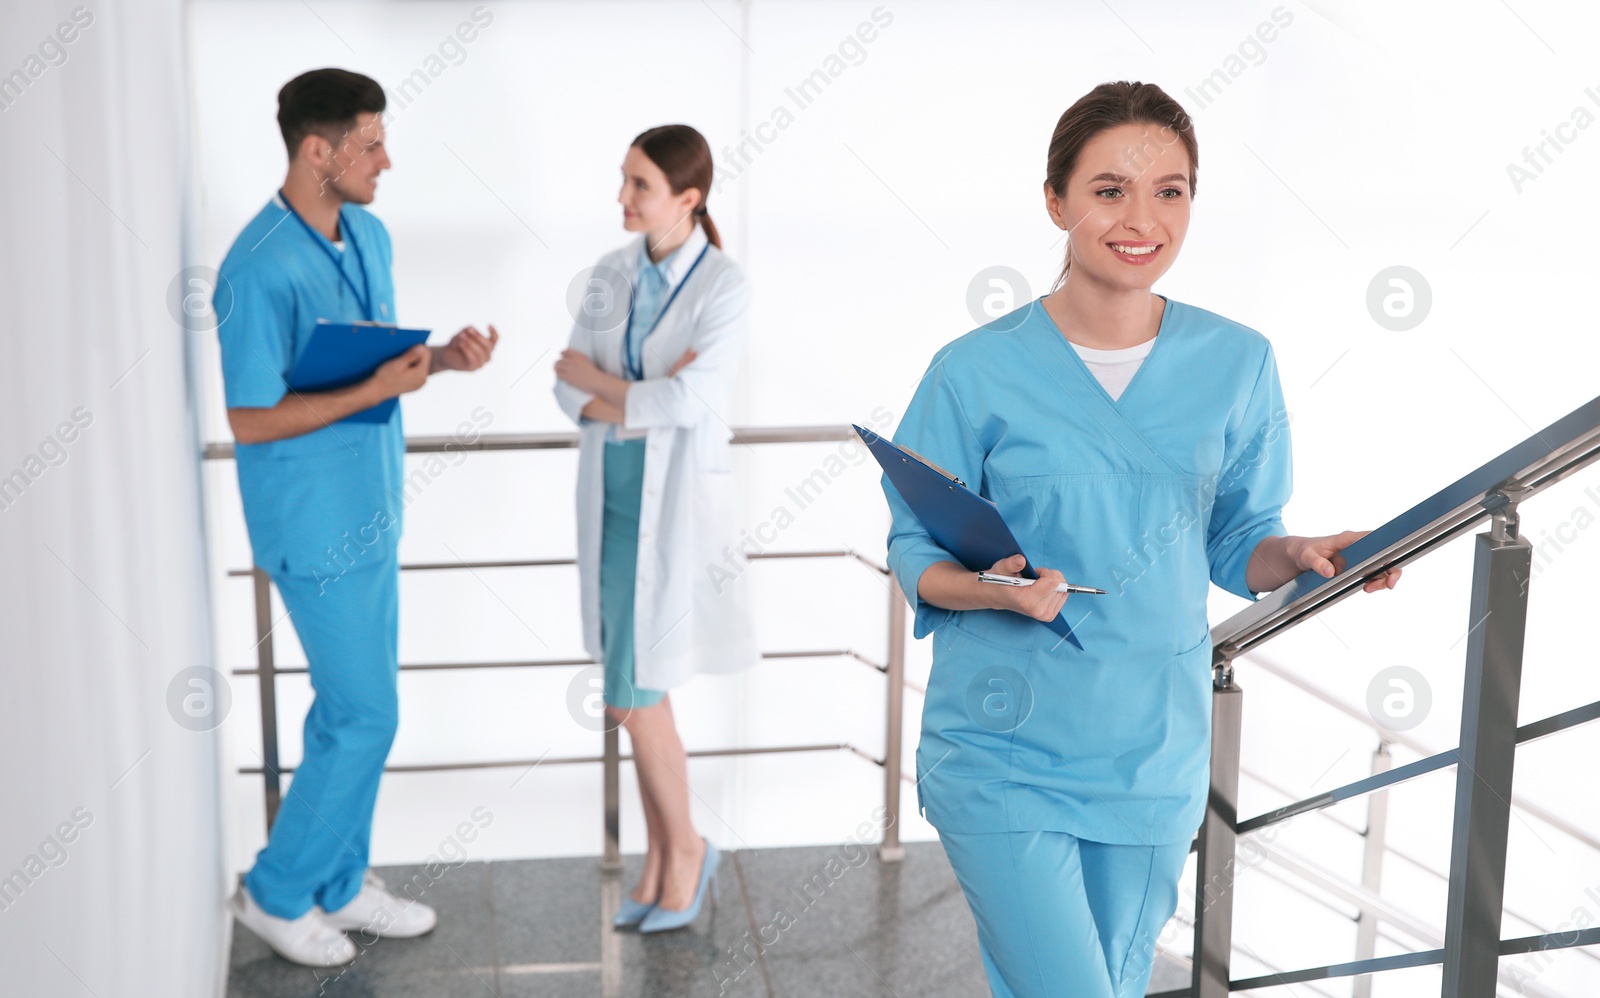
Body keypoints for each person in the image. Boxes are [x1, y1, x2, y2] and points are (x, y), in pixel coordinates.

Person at [881, 80, 1402, 998]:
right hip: (1002, 750)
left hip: (1150, 754)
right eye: (1110, 189)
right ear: (1057, 202)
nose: (1142, 217)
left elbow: (1238, 536)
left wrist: (1303, 553)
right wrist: (994, 590)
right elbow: (918, 552)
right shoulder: (974, 372)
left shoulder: (1239, 362)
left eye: (1171, 189)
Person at [215, 68, 499, 967]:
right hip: (310, 523)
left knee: (351, 711)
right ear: (317, 151)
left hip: (373, 510)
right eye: (369, 144)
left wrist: (442, 361)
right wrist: (379, 385)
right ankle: (276, 892)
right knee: (366, 714)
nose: (386, 159)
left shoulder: (367, 233)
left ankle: (338, 882)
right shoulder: (255, 267)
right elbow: (249, 417)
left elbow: (373, 360)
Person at [553, 124, 757, 934]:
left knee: (640, 696)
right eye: (624, 180)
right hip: (613, 500)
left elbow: (693, 401)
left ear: (688, 198)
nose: (622, 199)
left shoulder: (725, 286)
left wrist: (609, 388)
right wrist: (633, 391)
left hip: (674, 515)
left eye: (639, 185)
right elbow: (564, 388)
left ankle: (689, 851)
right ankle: (660, 858)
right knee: (625, 692)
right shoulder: (610, 273)